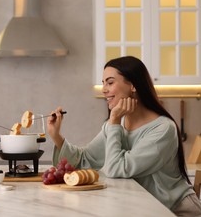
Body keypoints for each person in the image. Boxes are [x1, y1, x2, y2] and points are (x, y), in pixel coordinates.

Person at [47, 56, 201, 217]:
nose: (104, 89)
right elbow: (84, 159)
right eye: (103, 83)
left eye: (110, 82)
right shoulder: (116, 125)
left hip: (175, 211)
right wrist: (56, 135)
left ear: (133, 85)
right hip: (140, 209)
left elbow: (117, 169)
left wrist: (114, 121)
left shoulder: (162, 129)